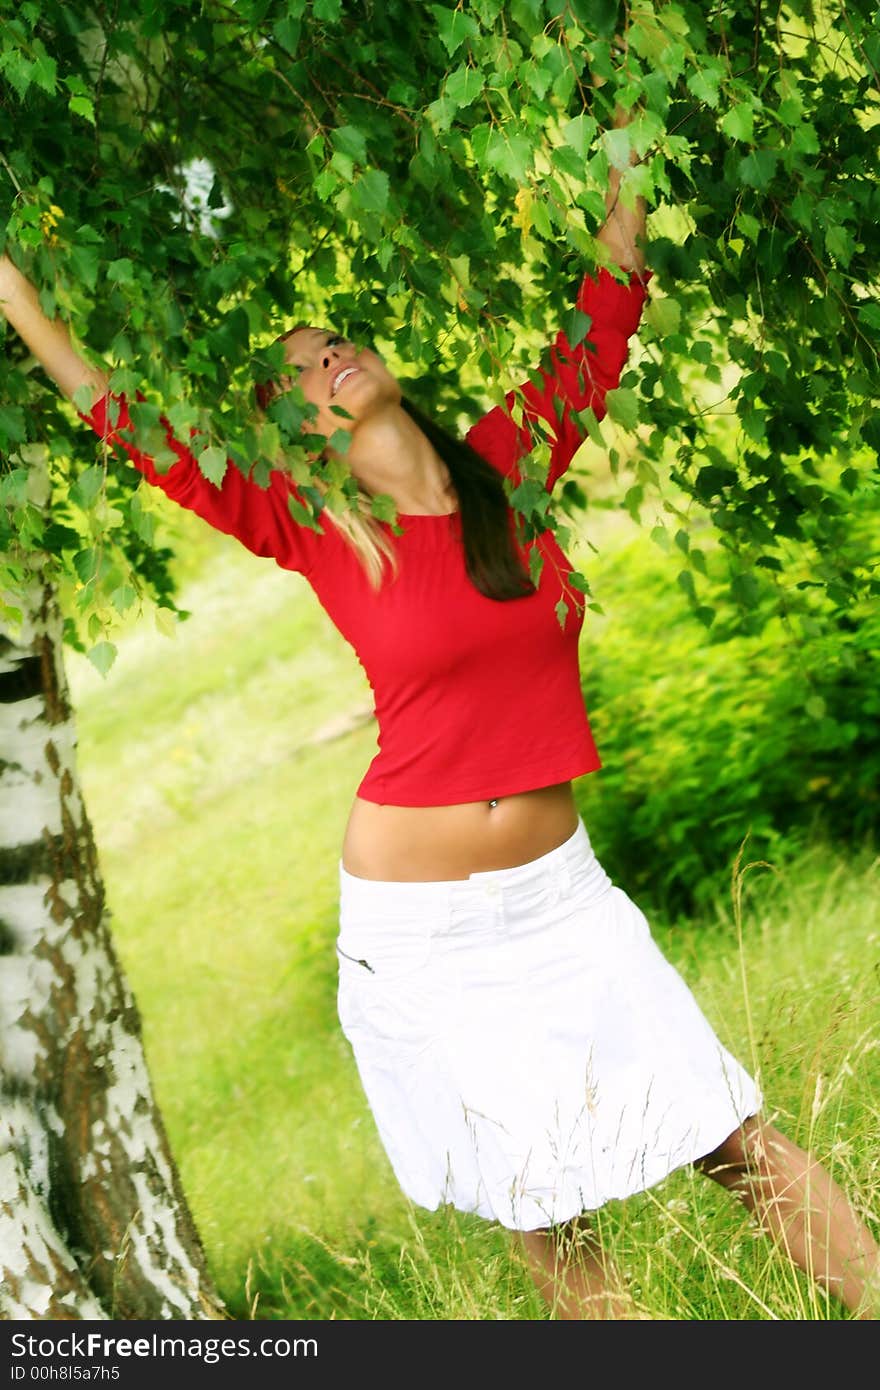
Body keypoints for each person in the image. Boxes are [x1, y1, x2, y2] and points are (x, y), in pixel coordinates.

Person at [2, 109, 878, 1322]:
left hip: (563, 898)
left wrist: (623, 148)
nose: (328, 363)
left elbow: (600, 325)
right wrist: (14, 289)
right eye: (301, 372)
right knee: (549, 1213)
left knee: (730, 1133)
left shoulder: (503, 471)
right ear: (295, 432)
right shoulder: (310, 529)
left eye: (333, 344)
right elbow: (123, 416)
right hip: (426, 937)